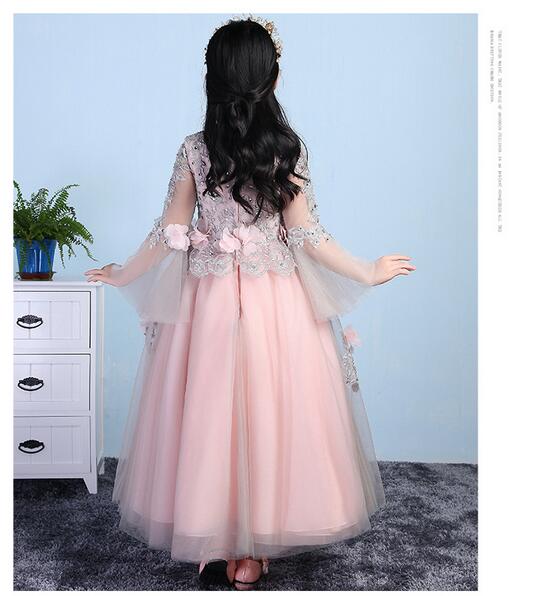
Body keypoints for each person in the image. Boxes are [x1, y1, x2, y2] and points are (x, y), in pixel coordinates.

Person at [85, 15, 415, 590]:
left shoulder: (202, 149)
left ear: (211, 78)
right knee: (262, 412)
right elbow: (304, 233)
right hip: (269, 300)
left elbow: (170, 232)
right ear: (272, 79)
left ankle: (224, 538)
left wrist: (125, 271)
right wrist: (366, 269)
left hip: (215, 300)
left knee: (218, 414)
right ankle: (244, 545)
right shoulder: (280, 148)